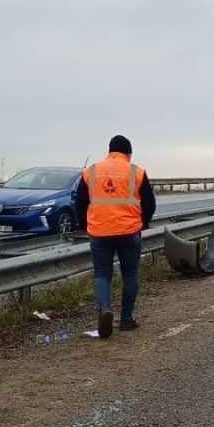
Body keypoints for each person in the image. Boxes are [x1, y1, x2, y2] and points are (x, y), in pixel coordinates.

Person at [76, 135, 157, 339]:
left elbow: (80, 202)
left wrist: (86, 225)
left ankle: (105, 309)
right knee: (129, 273)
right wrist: (143, 223)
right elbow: (149, 202)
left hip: (100, 232)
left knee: (102, 274)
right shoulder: (136, 171)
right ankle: (127, 319)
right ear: (128, 153)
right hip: (129, 231)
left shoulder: (91, 171)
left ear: (109, 151)